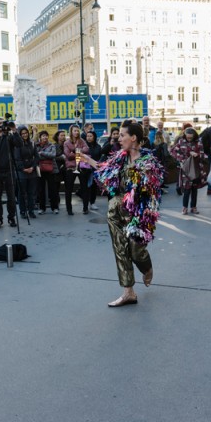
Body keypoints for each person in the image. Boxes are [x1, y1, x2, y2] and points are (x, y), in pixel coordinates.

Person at [82, 123, 163, 307]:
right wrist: (88, 160)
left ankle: (147, 267)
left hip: (138, 213)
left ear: (133, 138)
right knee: (120, 250)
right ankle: (128, 292)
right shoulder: (120, 157)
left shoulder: (148, 161)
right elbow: (104, 169)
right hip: (115, 210)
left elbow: (152, 192)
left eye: (123, 135)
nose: (118, 139)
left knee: (136, 251)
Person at [171, 127, 207, 214]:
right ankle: (184, 207)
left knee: (194, 188)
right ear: (185, 135)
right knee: (186, 188)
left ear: (194, 136)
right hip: (186, 169)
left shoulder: (198, 142)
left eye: (191, 137)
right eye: (188, 137)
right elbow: (173, 151)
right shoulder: (181, 141)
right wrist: (182, 159)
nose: (189, 139)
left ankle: (193, 207)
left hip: (196, 168)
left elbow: (203, 155)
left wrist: (197, 155)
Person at [63, 125, 90, 215]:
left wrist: (74, 151)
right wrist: (79, 152)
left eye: (77, 131)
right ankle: (69, 209)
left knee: (84, 188)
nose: (76, 132)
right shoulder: (66, 143)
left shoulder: (81, 141)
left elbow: (87, 149)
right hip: (71, 168)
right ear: (71, 131)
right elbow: (68, 156)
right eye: (75, 131)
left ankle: (85, 208)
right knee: (68, 189)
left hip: (81, 167)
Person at [14, 125, 38, 219]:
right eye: (22, 133)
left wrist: (32, 167)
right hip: (22, 172)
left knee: (31, 192)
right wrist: (23, 168)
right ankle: (23, 210)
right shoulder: (17, 145)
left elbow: (36, 157)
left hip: (32, 171)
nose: (25, 135)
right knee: (22, 192)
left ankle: (31, 210)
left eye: (26, 133)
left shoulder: (32, 143)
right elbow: (17, 159)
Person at [36, 131, 60, 214]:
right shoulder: (37, 145)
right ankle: (42, 208)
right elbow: (36, 156)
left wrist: (42, 153)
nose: (45, 137)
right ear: (40, 137)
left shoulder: (52, 145)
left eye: (46, 136)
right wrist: (46, 155)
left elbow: (53, 155)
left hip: (51, 170)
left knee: (53, 189)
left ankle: (55, 207)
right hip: (40, 170)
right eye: (43, 136)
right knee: (41, 190)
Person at [85, 130, 102, 211]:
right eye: (87, 136)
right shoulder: (84, 146)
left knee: (93, 187)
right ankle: (85, 203)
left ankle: (92, 202)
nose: (88, 138)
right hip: (85, 169)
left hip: (95, 169)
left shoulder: (98, 146)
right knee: (86, 186)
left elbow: (100, 157)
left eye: (90, 136)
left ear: (94, 137)